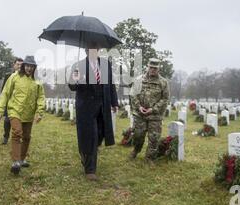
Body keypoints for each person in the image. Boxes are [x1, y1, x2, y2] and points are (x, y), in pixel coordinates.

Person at [68, 46, 119, 181]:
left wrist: (114, 102)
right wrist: (75, 78)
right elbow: (72, 86)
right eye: (90, 49)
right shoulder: (78, 66)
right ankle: (90, 170)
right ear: (85, 50)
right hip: (86, 108)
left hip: (102, 106)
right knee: (91, 136)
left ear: (99, 50)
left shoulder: (105, 64)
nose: (92, 51)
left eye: (95, 48)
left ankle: (86, 153)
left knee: (100, 134)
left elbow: (111, 84)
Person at [0, 55, 45, 175]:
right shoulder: (14, 77)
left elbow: (41, 98)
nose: (29, 68)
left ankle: (22, 159)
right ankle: (16, 162)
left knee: (27, 137)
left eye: (31, 66)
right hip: (14, 111)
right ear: (23, 66)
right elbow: (5, 93)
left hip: (28, 114)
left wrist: (40, 112)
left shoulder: (36, 82)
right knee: (17, 133)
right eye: (27, 65)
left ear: (34, 68)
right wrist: (0, 111)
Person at [129, 58, 170, 162]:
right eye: (151, 67)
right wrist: (139, 107)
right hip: (140, 114)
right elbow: (133, 95)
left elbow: (165, 99)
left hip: (155, 116)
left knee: (154, 138)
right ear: (147, 67)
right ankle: (136, 150)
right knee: (138, 135)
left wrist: (153, 109)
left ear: (158, 69)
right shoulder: (139, 80)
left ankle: (149, 158)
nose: (152, 70)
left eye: (155, 68)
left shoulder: (163, 82)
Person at [1, 57, 23, 145]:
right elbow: (3, 90)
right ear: (14, 65)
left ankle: (18, 137)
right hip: (9, 103)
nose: (19, 66)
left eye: (21, 65)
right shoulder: (8, 76)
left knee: (20, 121)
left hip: (20, 103)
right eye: (17, 64)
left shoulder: (25, 77)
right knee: (7, 121)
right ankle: (6, 136)